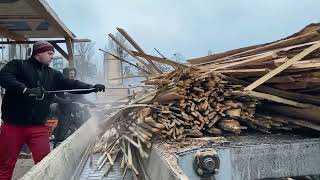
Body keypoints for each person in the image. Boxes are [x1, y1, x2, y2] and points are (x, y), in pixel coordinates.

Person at [0, 41, 105, 180]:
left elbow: (71, 84)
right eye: (49, 53)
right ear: (38, 53)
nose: (52, 57)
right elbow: (3, 77)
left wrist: (91, 87)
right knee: (5, 164)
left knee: (46, 164)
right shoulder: (18, 65)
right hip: (13, 126)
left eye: (53, 54)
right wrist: (26, 90)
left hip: (38, 127)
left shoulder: (53, 74)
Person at [52, 67, 95, 148]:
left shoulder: (75, 85)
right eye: (70, 74)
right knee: (61, 134)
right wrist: (61, 100)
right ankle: (56, 149)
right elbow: (56, 98)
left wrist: (90, 103)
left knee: (81, 131)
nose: (72, 75)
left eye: (73, 74)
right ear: (65, 74)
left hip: (75, 112)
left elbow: (81, 98)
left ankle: (81, 148)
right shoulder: (60, 85)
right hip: (64, 112)